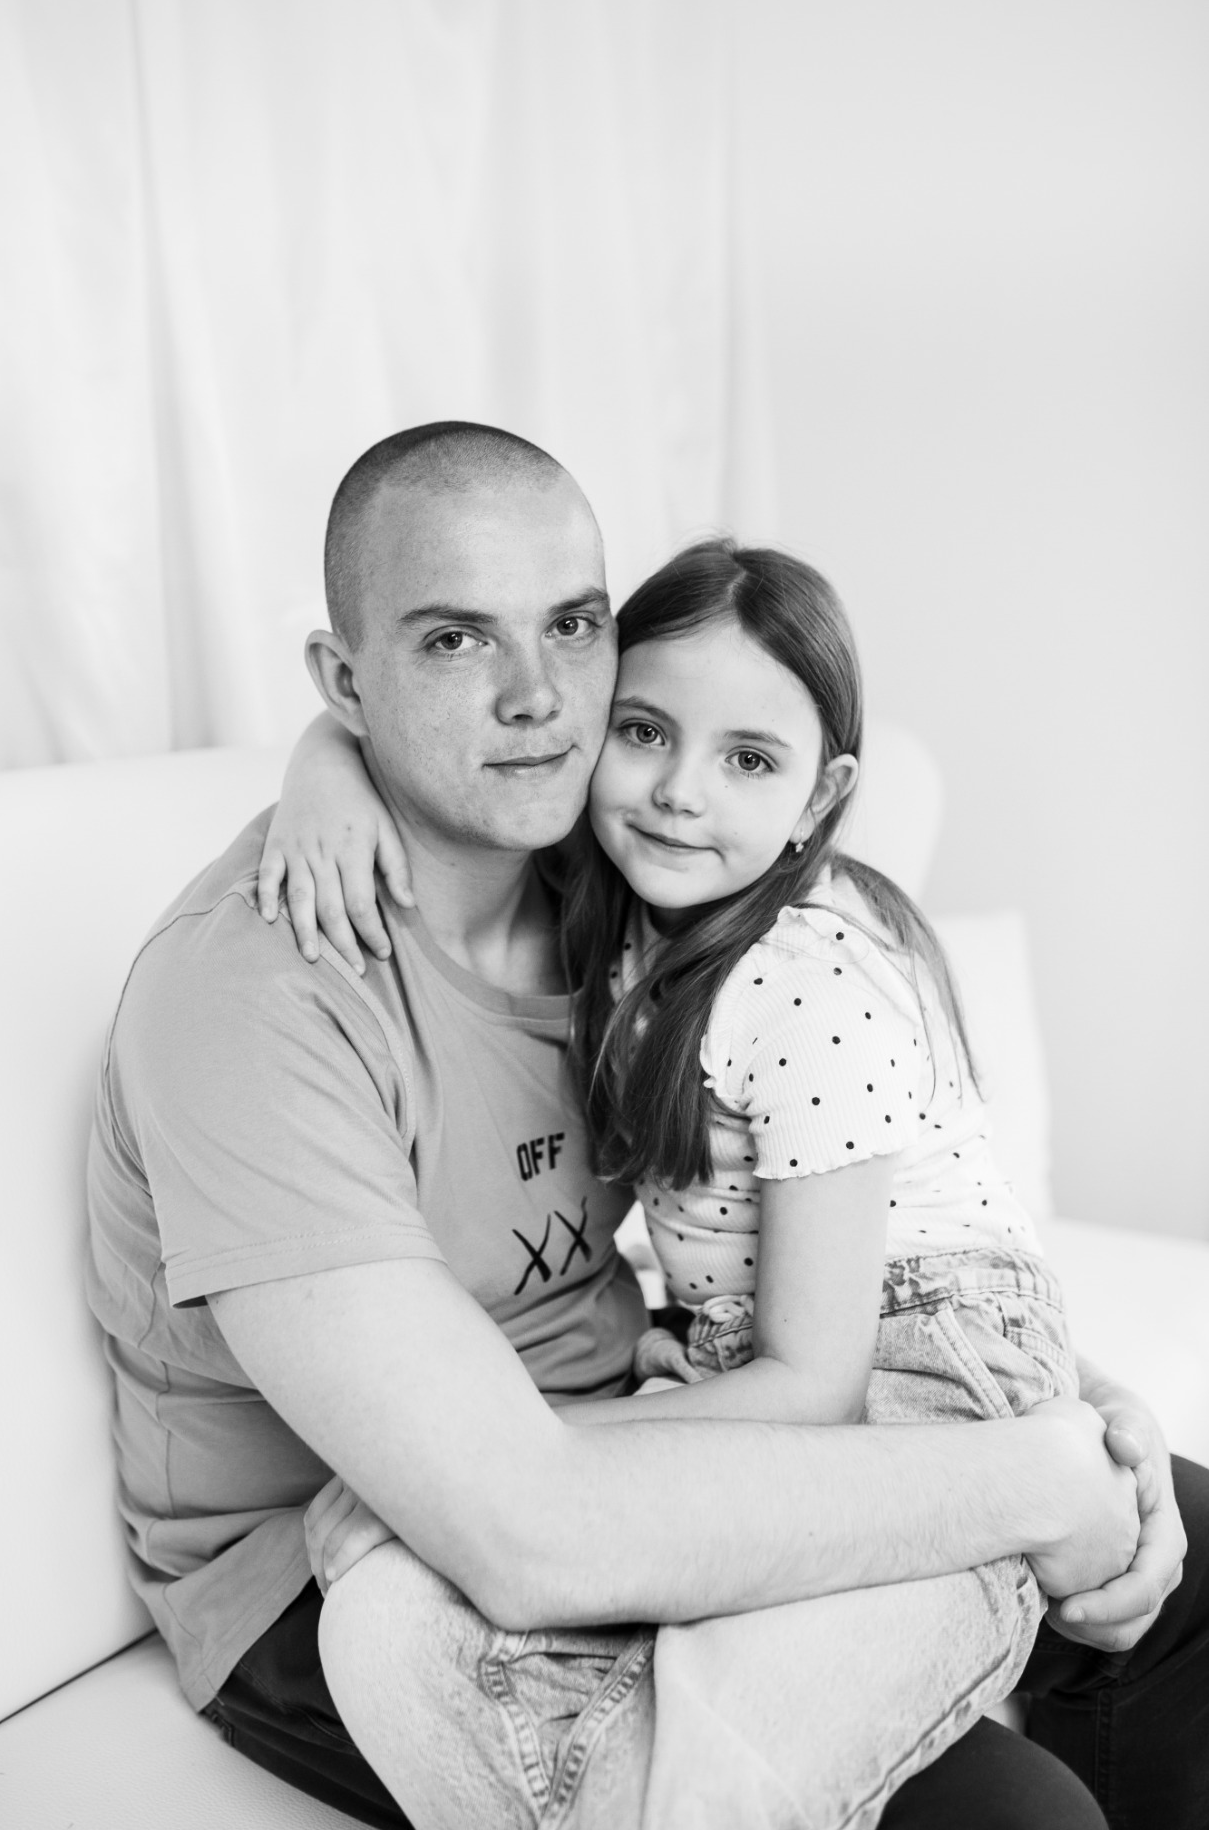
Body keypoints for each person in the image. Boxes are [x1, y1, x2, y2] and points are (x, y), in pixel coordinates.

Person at [86, 421, 1200, 1830]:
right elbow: (518, 1525)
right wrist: (1032, 1484)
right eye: (453, 641)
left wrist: (1084, 1407)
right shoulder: (252, 999)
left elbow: (873, 1219)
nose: (537, 697)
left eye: (572, 625)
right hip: (341, 1559)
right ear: (346, 679)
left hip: (628, 1424)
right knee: (1006, 1815)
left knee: (1188, 1557)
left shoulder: (603, 870)